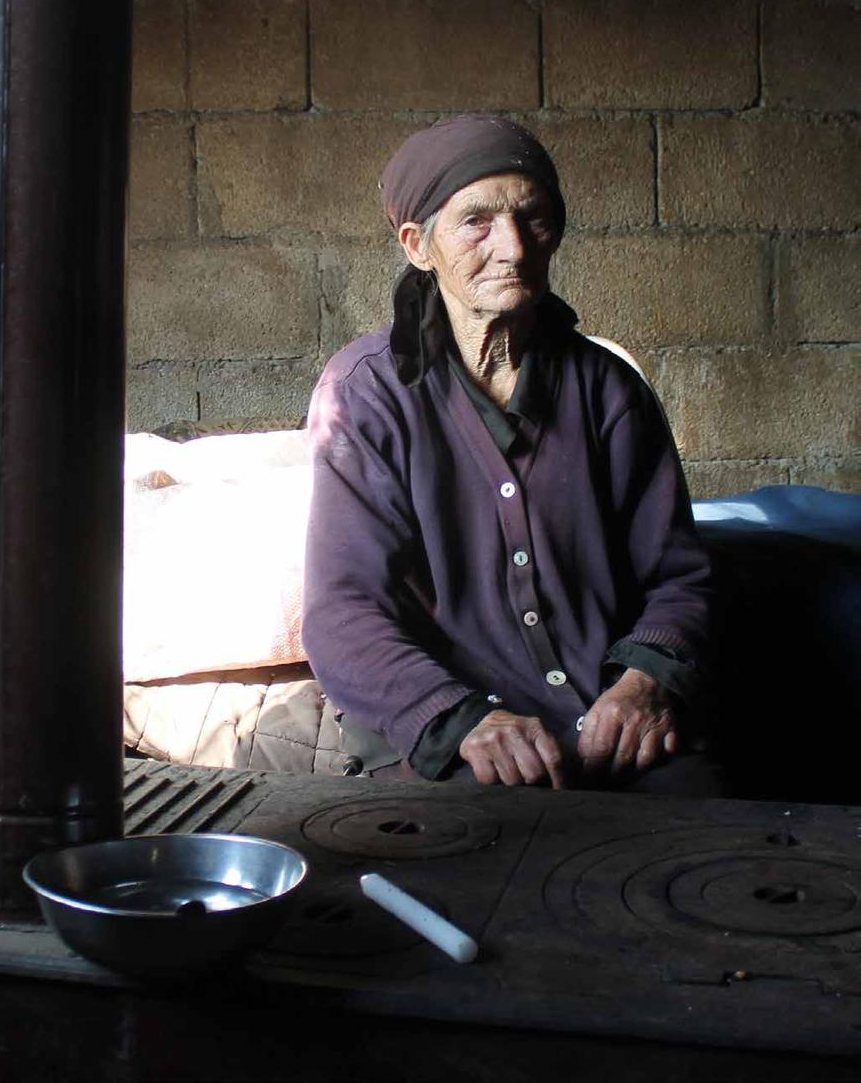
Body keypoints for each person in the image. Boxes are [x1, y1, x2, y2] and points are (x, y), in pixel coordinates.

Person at [302, 115, 716, 795]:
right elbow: (343, 612)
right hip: (458, 733)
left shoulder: (606, 389)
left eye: (534, 218)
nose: (514, 248)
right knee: (494, 865)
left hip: (607, 719)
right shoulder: (365, 393)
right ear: (417, 245)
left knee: (702, 836)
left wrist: (644, 681)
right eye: (477, 222)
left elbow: (680, 576)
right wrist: (463, 719)